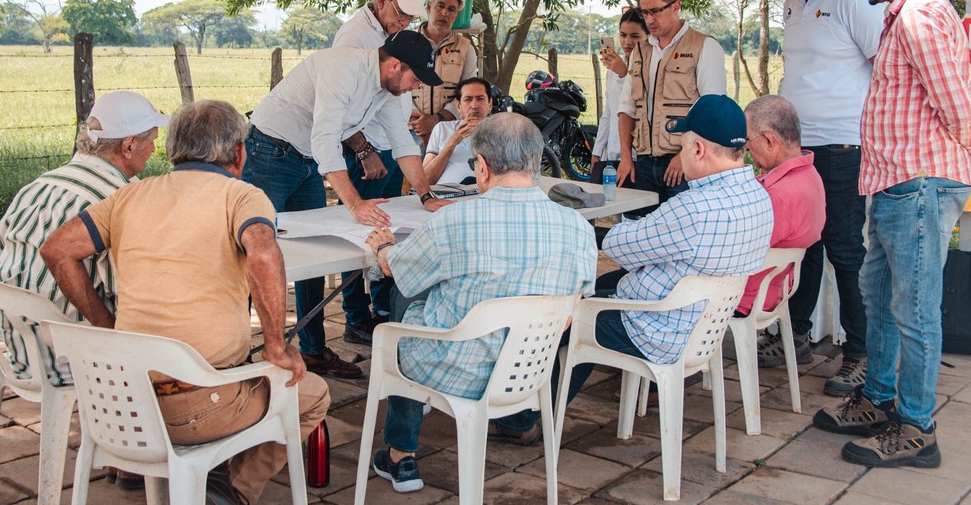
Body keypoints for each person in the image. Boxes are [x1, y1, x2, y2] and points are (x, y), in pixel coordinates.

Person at [39, 100, 331, 505]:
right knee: (312, 394)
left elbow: (57, 249)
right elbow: (264, 254)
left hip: (117, 402)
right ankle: (233, 493)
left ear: (172, 151)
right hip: (197, 408)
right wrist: (276, 345)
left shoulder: (130, 196)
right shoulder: (242, 196)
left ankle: (210, 477)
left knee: (236, 373)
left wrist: (106, 325)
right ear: (239, 152)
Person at [813, 0, 971, 469]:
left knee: (914, 312)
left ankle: (916, 428)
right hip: (896, 183)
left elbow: (957, 103)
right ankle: (880, 399)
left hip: (918, 184)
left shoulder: (918, 15)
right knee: (882, 301)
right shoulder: (908, 13)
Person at [492, 94, 773, 439]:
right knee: (595, 293)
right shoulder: (759, 197)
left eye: (682, 147)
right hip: (704, 325)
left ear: (699, 150)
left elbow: (619, 247)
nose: (680, 155)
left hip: (656, 328)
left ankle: (519, 419)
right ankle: (531, 411)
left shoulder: (693, 208)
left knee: (562, 316)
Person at [360, 113, 597, 492]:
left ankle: (401, 454)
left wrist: (385, 246)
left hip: (452, 369)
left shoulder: (454, 221)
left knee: (406, 290)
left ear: (482, 168)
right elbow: (577, 306)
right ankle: (514, 418)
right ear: (536, 164)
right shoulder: (580, 228)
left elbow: (393, 268)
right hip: (526, 372)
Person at [244, 30, 450, 376]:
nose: (416, 87)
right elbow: (326, 138)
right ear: (395, 65)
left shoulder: (386, 87)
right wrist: (354, 203)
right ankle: (234, 354)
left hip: (306, 158)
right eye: (415, 78)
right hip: (269, 150)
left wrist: (426, 195)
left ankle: (311, 350)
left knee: (314, 252)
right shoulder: (344, 69)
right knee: (252, 250)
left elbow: (402, 142)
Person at [0, 90, 168, 491]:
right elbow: (134, 294)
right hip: (69, 359)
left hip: (20, 347)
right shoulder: (117, 199)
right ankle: (140, 453)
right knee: (167, 325)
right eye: (152, 139)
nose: (155, 147)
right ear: (129, 146)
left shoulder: (39, 184)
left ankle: (122, 449)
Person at [765, 0, 885, 398]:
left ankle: (860, 353)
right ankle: (795, 336)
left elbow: (885, 62)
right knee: (802, 244)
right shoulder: (795, 1)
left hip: (842, 146)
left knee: (844, 249)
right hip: (799, 148)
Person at [331, 0, 429, 346]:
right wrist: (364, 149)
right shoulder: (355, 37)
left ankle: (379, 312)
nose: (404, 22)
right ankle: (356, 318)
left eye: (410, 17)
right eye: (400, 13)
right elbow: (338, 105)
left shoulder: (390, 33)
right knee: (357, 236)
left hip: (389, 143)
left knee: (385, 231)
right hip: (364, 149)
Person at [615, 0, 727, 207]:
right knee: (645, 234)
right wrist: (626, 156)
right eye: (644, 12)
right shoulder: (640, 51)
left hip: (685, 164)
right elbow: (626, 108)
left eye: (655, 11)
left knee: (682, 235)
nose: (649, 19)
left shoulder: (704, 46)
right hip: (644, 163)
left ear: (676, 6)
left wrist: (684, 157)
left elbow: (712, 111)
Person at [737, 95, 825, 316]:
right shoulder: (810, 175)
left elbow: (738, 251)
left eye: (748, 140)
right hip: (777, 287)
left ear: (769, 140)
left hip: (747, 296)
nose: (746, 148)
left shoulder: (779, 195)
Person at [409, 0, 478, 145]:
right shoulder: (407, 42)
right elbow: (394, 86)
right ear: (428, 7)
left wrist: (437, 119)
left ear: (456, 15)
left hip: (449, 130)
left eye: (451, 9)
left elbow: (467, 94)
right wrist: (418, 120)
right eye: (440, 6)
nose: (445, 13)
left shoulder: (466, 48)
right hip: (409, 130)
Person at [591, 8, 645, 184]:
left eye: (635, 36)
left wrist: (624, 75)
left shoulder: (650, 67)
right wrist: (597, 150)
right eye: (623, 35)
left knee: (636, 209)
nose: (627, 41)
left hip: (638, 154)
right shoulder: (614, 69)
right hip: (612, 152)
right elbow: (608, 112)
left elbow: (635, 107)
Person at [422, 77, 492, 185]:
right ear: (458, 106)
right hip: (445, 197)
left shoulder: (500, 131)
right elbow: (425, 181)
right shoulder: (442, 129)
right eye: (468, 99)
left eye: (480, 98)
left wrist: (482, 131)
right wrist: (453, 141)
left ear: (490, 104)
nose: (474, 106)